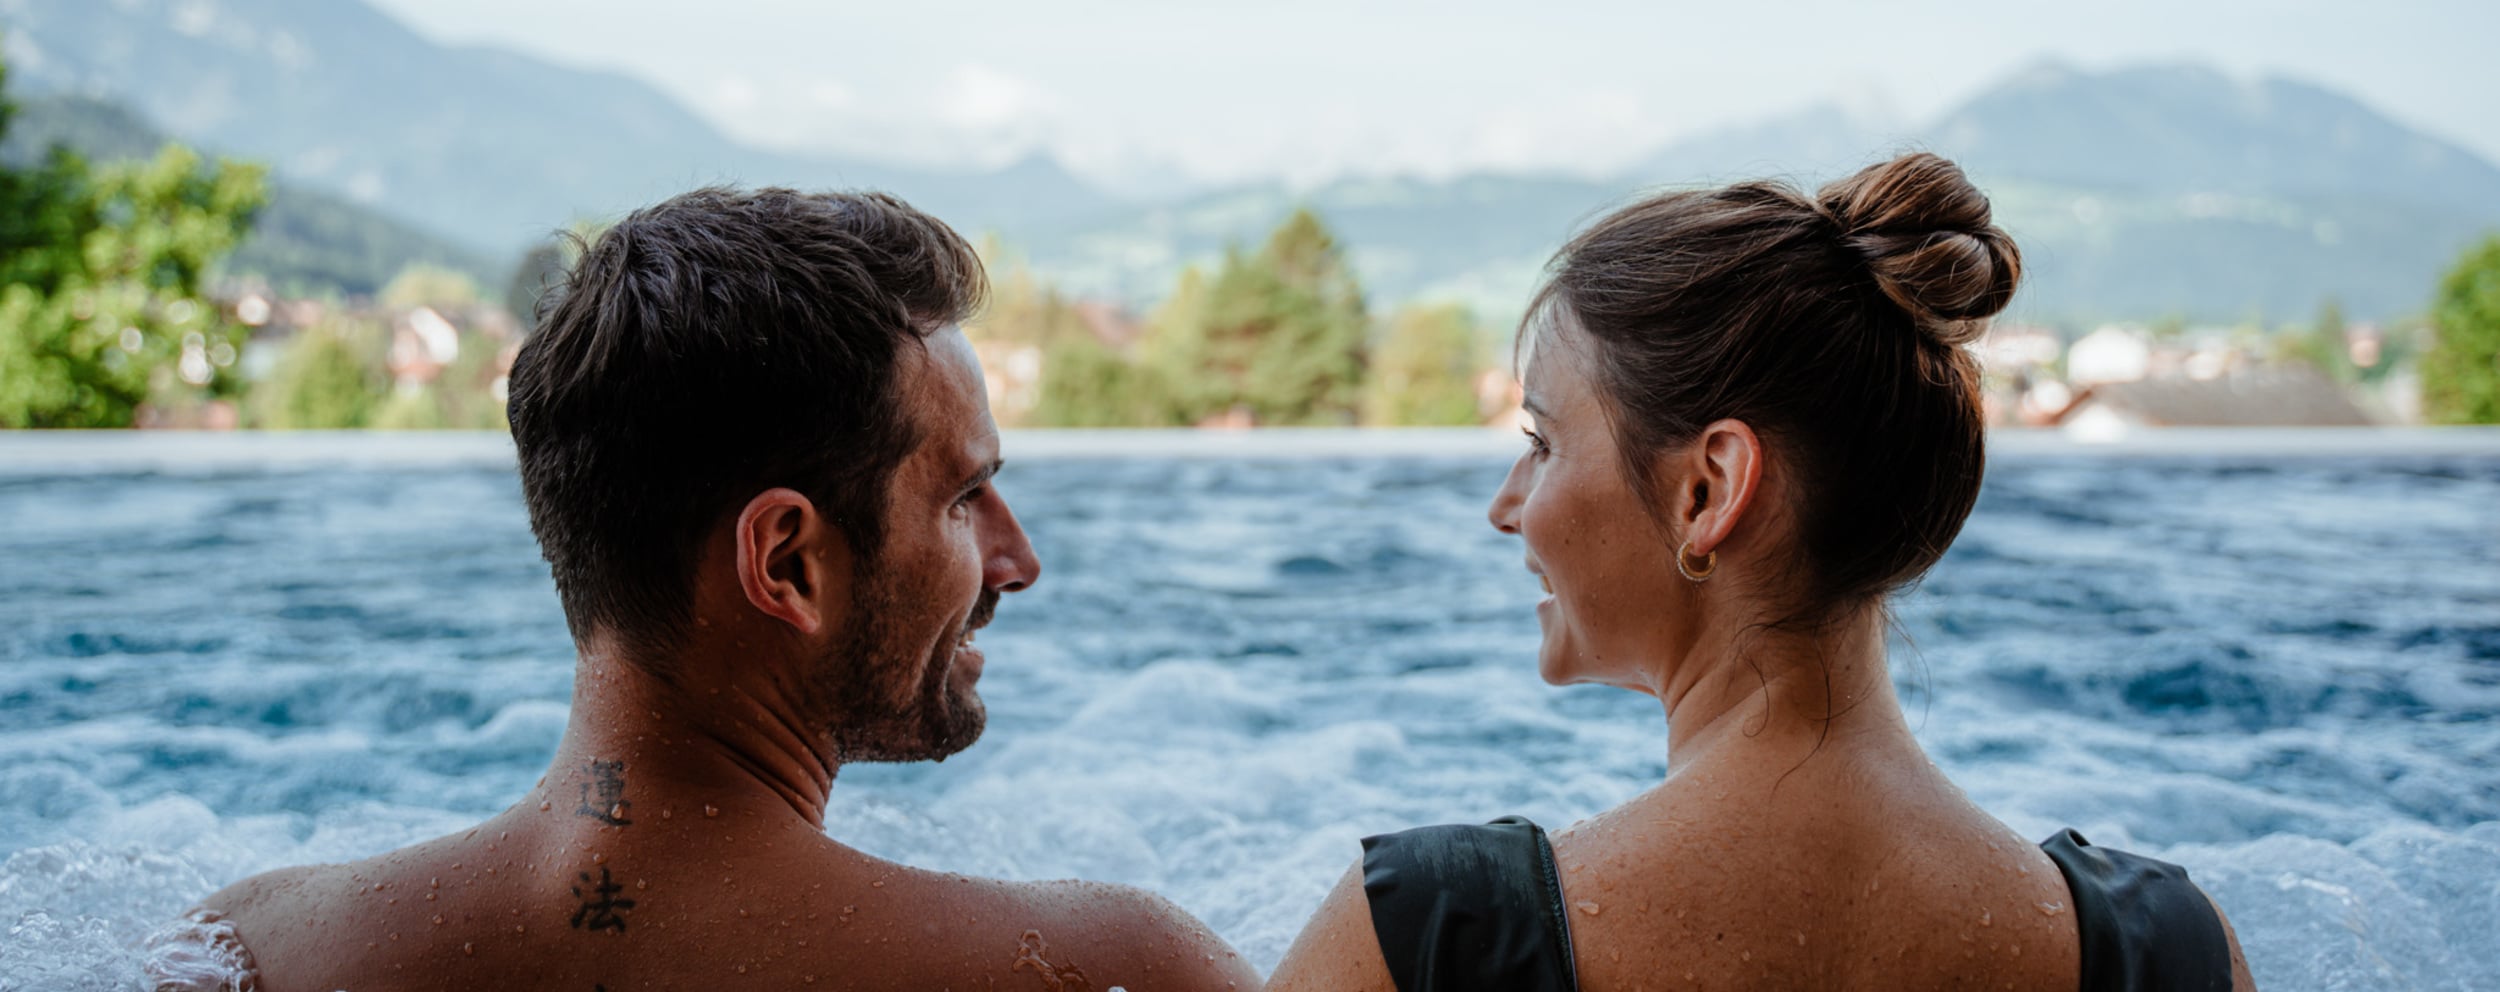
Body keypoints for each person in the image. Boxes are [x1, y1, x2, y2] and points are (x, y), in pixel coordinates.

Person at [180, 187, 1258, 992]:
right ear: (785, 560)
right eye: (963, 495)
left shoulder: (244, 947)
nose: (1017, 559)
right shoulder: (1110, 965)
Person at [1267, 153, 2257, 992]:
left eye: (1541, 440)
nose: (1505, 504)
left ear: (1709, 490)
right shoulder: (2169, 949)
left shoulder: (1431, 932)